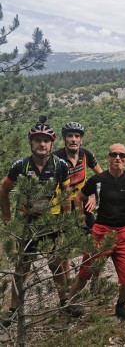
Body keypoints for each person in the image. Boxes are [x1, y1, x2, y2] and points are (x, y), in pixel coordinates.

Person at [0, 116, 72, 327]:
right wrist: (7, 218)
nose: (42, 144)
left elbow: (66, 196)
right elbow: (3, 190)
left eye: (46, 140)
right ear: (31, 143)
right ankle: (14, 311)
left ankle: (63, 307)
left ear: (52, 143)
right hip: (27, 224)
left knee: (56, 266)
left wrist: (66, 224)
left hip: (52, 223)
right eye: (37, 140)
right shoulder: (21, 165)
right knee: (22, 267)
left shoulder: (60, 165)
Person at [67, 143, 125, 320]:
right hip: (101, 232)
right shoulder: (98, 180)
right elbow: (78, 198)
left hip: (124, 233)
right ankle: (69, 302)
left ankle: (120, 306)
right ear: (108, 157)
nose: (118, 158)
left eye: (122, 155)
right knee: (84, 273)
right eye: (114, 154)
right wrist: (80, 220)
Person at [54, 122, 102, 281]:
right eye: (70, 136)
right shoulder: (56, 158)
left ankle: (94, 279)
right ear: (64, 139)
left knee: (95, 240)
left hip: (83, 203)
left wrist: (94, 195)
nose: (73, 139)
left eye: (77, 136)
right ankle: (66, 282)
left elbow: (100, 176)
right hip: (63, 206)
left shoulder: (86, 155)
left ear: (81, 139)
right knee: (64, 247)